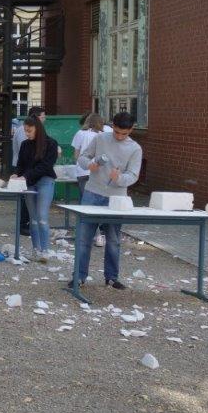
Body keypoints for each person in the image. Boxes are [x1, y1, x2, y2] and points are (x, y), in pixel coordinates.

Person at [74, 111, 143, 290]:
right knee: (84, 238)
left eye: (124, 134)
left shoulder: (135, 148)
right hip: (92, 192)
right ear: (112, 126)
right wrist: (89, 165)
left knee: (113, 240)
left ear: (131, 129)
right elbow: (82, 157)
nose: (119, 136)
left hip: (116, 198)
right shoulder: (100, 139)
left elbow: (133, 175)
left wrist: (120, 178)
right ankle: (79, 277)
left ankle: (111, 277)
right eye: (116, 132)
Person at [12, 114, 59, 262]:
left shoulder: (51, 144)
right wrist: (16, 174)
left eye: (29, 130)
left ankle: (45, 250)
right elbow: (20, 164)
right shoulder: (25, 144)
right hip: (29, 182)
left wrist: (25, 176)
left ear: (37, 129)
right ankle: (35, 249)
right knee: (33, 219)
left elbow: (46, 166)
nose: (27, 133)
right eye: (25, 130)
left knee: (42, 217)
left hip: (45, 181)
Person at [72, 112, 109, 247]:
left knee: (86, 204)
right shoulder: (105, 134)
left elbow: (76, 155)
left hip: (83, 172)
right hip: (99, 173)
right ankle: (101, 235)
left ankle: (87, 234)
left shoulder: (80, 134)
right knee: (100, 204)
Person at [12, 106, 45, 237]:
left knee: (32, 202)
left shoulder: (45, 139)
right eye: (42, 117)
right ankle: (23, 224)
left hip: (30, 171)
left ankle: (30, 224)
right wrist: (20, 174)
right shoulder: (24, 133)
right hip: (24, 169)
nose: (44, 119)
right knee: (25, 200)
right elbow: (24, 153)